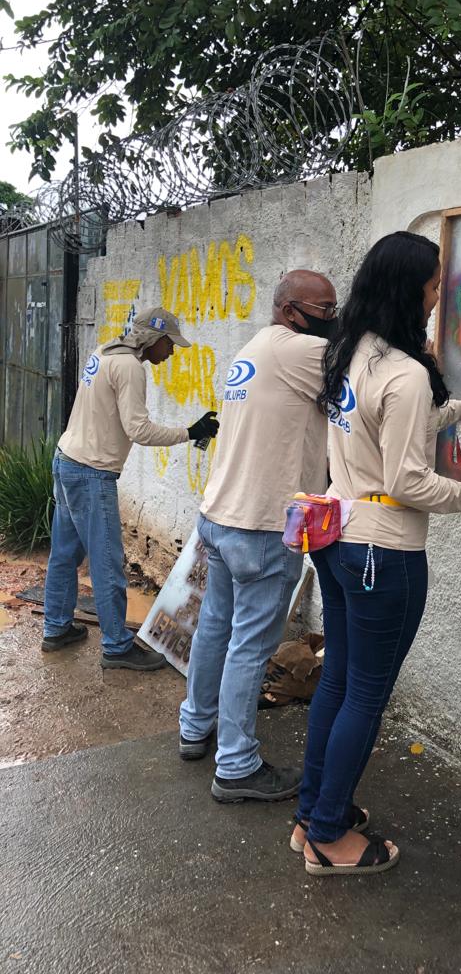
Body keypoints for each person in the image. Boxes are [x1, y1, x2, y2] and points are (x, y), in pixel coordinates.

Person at [292, 230, 461, 876]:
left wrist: (452, 412)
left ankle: (313, 812)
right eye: (433, 283)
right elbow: (406, 480)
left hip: (340, 543)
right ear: (409, 289)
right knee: (365, 695)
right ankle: (328, 837)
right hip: (384, 555)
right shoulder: (403, 373)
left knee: (338, 682)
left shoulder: (352, 351)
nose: (438, 294)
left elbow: (380, 435)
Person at [179, 270, 338, 804]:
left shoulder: (252, 348)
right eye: (324, 309)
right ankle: (237, 765)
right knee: (249, 647)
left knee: (214, 630)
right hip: (263, 527)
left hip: (221, 516)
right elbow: (363, 374)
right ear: (291, 309)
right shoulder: (298, 352)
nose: (331, 319)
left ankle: (195, 726)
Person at [42, 306, 219, 670]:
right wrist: (191, 432)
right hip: (91, 474)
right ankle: (117, 646)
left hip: (66, 461)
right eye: (169, 344)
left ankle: (57, 629)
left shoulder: (105, 352)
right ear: (154, 339)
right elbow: (139, 430)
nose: (171, 353)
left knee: (64, 554)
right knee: (107, 563)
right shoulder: (130, 368)